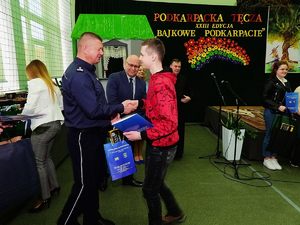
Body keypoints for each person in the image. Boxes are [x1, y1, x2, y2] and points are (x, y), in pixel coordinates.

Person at [57, 32, 137, 225]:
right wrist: (120, 107)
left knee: (92, 181)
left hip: (93, 133)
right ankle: (65, 222)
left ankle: (92, 218)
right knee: (84, 184)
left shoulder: (86, 71)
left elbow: (95, 105)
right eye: (99, 48)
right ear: (85, 48)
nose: (102, 52)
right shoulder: (78, 75)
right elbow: (93, 109)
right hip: (83, 136)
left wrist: (111, 115)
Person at [123, 38, 185, 225]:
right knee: (157, 183)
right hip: (160, 143)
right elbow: (158, 105)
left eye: (142, 54)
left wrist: (140, 135)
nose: (140, 58)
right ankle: (175, 212)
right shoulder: (158, 78)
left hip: (162, 146)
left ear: (153, 56)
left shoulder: (161, 83)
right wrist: (140, 103)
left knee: (149, 190)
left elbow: (170, 123)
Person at [21, 59, 64, 212]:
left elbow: (30, 107)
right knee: (47, 158)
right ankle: (55, 186)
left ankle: (45, 198)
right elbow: (61, 106)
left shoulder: (34, 84)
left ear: (31, 72)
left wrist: (22, 115)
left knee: (40, 162)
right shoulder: (52, 85)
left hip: (42, 127)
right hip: (56, 125)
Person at [106, 55, 146, 187]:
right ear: (125, 63)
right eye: (131, 65)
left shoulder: (141, 82)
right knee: (117, 151)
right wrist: (123, 109)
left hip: (133, 123)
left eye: (136, 66)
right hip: (116, 121)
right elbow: (111, 102)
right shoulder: (114, 77)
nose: (133, 68)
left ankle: (128, 180)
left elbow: (143, 103)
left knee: (129, 150)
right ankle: (104, 178)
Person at [262, 60, 291, 170]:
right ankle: (266, 158)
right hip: (271, 112)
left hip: (282, 114)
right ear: (276, 70)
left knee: (279, 135)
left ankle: (274, 157)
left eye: (286, 69)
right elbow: (264, 99)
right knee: (270, 133)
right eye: (282, 69)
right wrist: (277, 106)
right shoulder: (271, 82)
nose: (284, 71)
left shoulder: (287, 82)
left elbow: (289, 97)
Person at [169, 58, 191, 160]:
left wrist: (189, 98)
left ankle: (178, 154)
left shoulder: (183, 78)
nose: (177, 68)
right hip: (168, 111)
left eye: (179, 67)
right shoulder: (166, 79)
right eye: (175, 66)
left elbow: (189, 92)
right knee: (169, 132)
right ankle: (168, 153)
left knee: (180, 132)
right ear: (170, 66)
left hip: (180, 110)